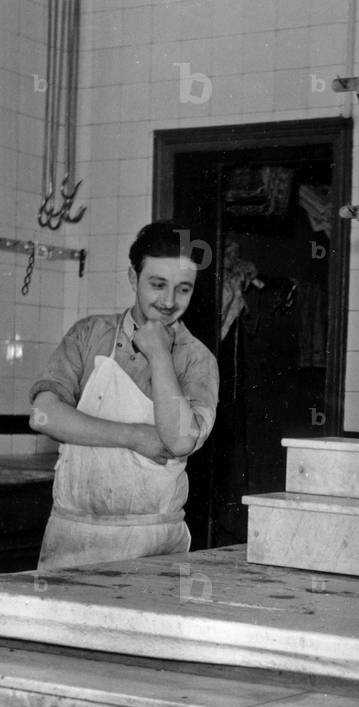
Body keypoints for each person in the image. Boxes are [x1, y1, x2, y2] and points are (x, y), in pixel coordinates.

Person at [30, 220, 219, 571]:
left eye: (183, 289)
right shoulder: (89, 335)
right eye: (157, 285)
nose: (168, 301)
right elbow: (44, 414)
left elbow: (179, 441)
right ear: (133, 279)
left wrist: (160, 354)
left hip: (152, 545)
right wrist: (133, 437)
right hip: (72, 536)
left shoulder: (197, 360)